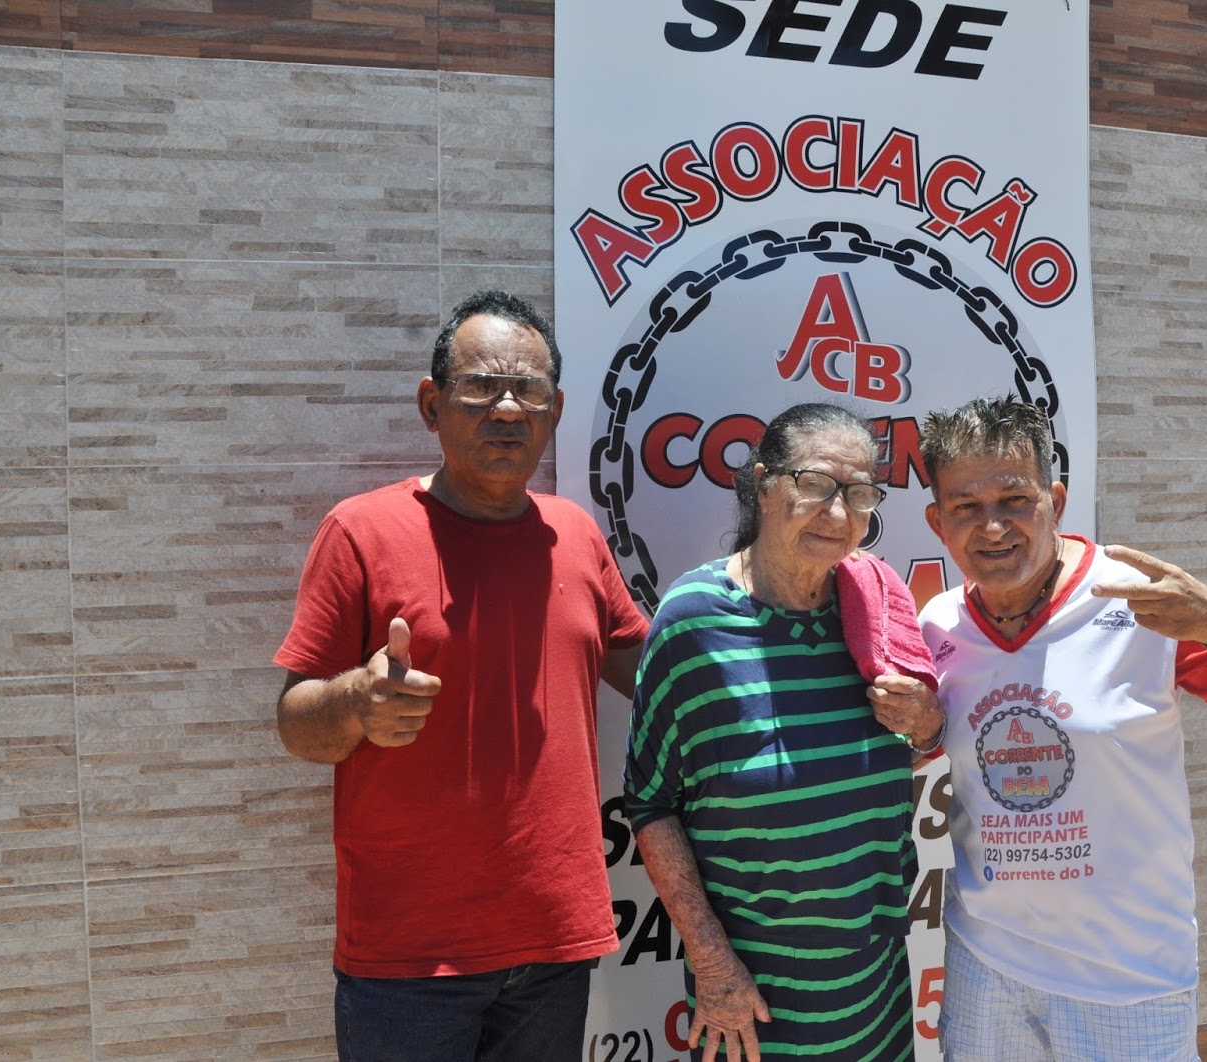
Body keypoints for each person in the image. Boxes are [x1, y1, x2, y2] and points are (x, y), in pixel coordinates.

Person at [273, 289, 649, 1062]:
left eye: (529, 392)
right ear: (431, 404)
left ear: (555, 410)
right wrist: (357, 702)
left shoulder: (575, 535)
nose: (507, 410)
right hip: (409, 959)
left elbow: (652, 675)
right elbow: (295, 724)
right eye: (481, 388)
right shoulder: (361, 532)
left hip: (553, 941)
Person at [915, 395, 1207, 1062]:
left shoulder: (1140, 602)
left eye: (1015, 500)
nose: (993, 527)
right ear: (938, 522)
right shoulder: (937, 626)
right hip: (987, 967)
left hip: (1130, 982)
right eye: (966, 507)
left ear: (1055, 501)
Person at [623, 403, 943, 1062]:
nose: (839, 513)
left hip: (876, 986)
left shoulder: (876, 613)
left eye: (859, 493)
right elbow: (651, 804)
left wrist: (926, 725)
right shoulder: (693, 622)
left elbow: (901, 751)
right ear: (764, 485)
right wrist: (713, 964)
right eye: (816, 484)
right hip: (750, 1002)